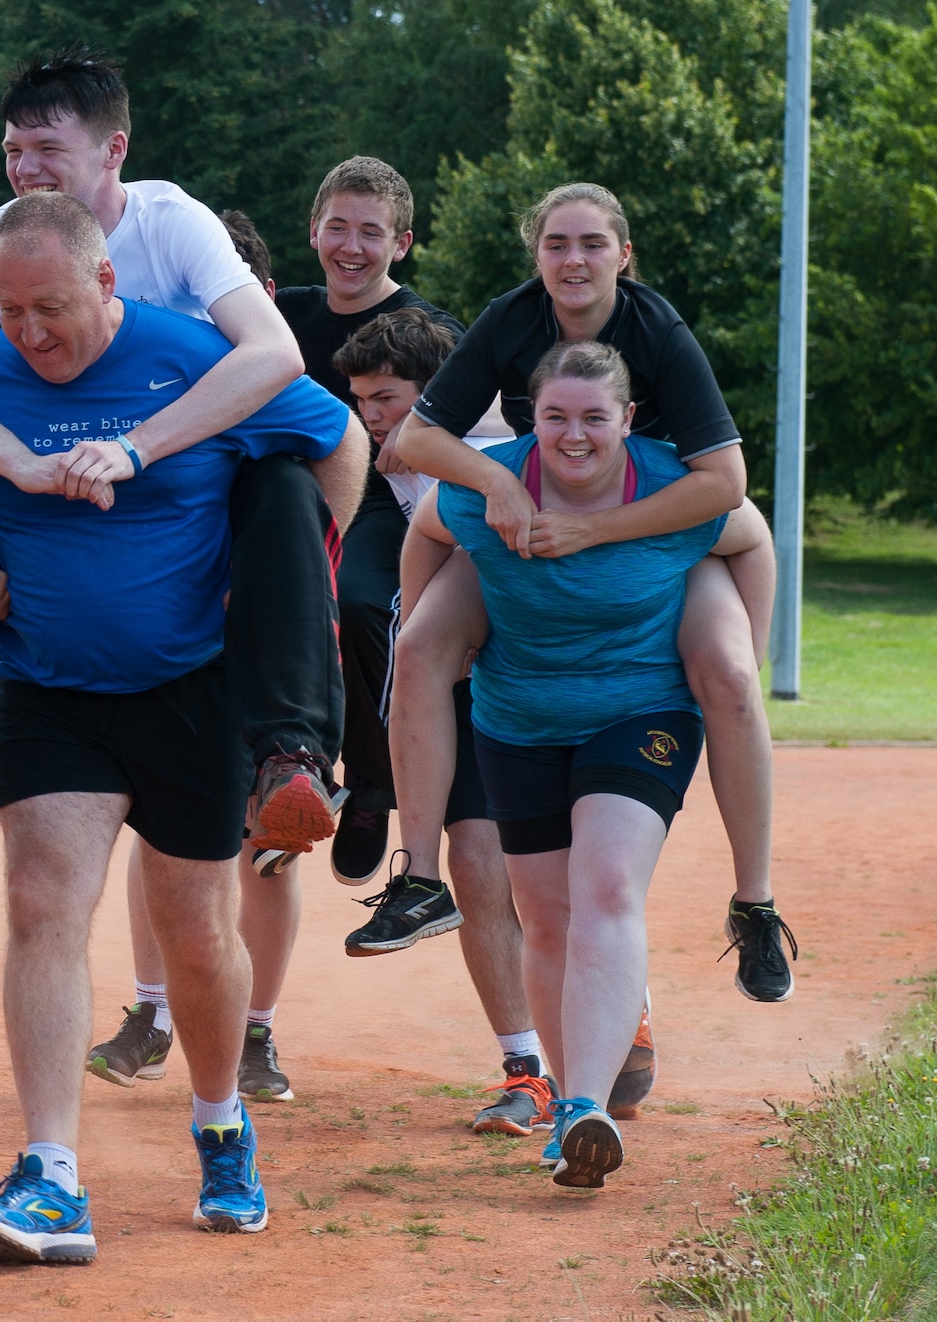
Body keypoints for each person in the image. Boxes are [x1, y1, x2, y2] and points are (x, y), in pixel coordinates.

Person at [0, 191, 354, 1264]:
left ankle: (219, 1120)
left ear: (106, 283)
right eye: (7, 312)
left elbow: (334, 449)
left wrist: (285, 580)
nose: (28, 332)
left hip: (191, 689)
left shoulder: (193, 359)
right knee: (41, 900)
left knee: (195, 934)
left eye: (48, 306)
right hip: (50, 687)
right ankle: (49, 1174)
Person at [0, 51, 367, 875]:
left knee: (280, 486)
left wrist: (143, 454)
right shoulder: (10, 236)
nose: (24, 170)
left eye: (45, 150)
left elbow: (275, 354)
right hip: (53, 503)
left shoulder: (173, 225)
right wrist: (13, 484)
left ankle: (298, 753)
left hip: (187, 484)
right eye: (11, 151)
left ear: (114, 152)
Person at [389, 185, 794, 1122]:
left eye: (592, 244)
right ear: (535, 253)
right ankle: (415, 876)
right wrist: (497, 480)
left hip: (661, 529)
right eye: (555, 244)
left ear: (624, 253)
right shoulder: (511, 323)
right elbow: (413, 442)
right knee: (416, 650)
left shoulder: (659, 330)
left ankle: (756, 905)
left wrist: (605, 531)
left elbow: (729, 489)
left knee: (728, 677)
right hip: (539, 540)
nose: (572, 261)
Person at [409, 341, 769, 1186]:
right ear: (532, 418)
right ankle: (574, 1103)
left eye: (595, 418)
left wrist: (741, 661)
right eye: (557, 417)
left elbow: (750, 540)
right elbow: (424, 531)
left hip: (642, 712)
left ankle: (585, 1109)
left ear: (628, 420)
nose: (575, 436)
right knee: (547, 915)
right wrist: (428, 625)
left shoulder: (675, 486)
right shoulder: (485, 486)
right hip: (519, 717)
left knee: (606, 885)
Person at [87, 210, 324, 1108]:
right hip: (169, 647)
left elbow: (337, 458)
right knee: (168, 837)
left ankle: (256, 1031)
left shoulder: (265, 386)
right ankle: (154, 1014)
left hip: (252, 654)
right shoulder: (137, 384)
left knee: (269, 846)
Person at [327, 308, 552, 1136]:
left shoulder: (495, 435)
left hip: (537, 682)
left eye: (386, 397)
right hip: (458, 687)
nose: (371, 415)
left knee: (553, 882)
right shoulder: (389, 457)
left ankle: (615, 1013)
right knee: (480, 866)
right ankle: (526, 1069)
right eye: (361, 400)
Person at [271, 159, 466, 890]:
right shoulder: (276, 314)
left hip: (387, 499)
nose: (352, 247)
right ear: (314, 230)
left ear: (403, 243)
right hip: (291, 495)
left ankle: (372, 785)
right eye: (338, 227)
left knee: (350, 599)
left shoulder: (428, 331)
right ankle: (276, 771)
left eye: (372, 233)